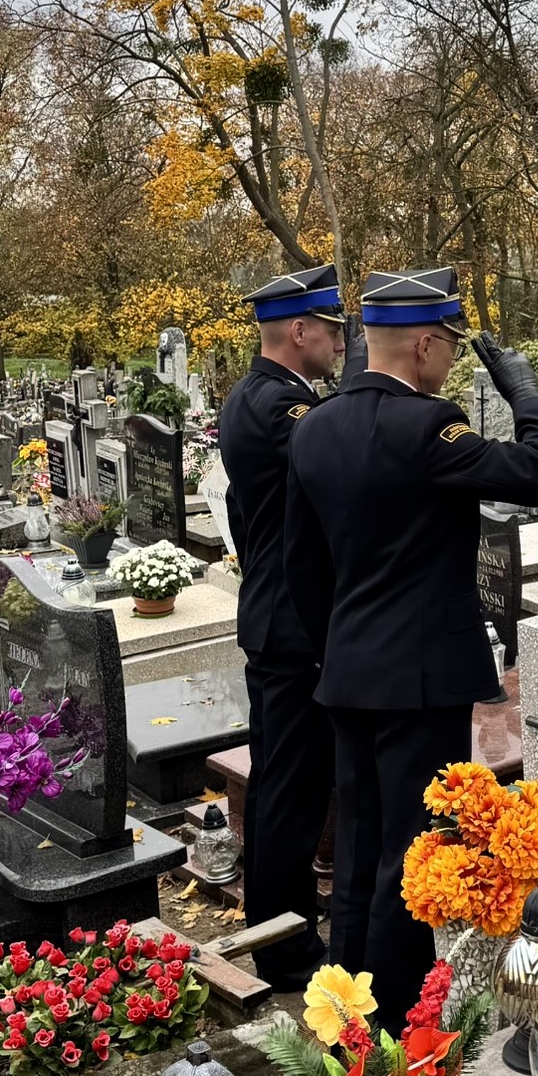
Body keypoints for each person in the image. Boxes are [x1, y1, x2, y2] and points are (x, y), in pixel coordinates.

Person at [283, 266, 538, 1030]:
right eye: (448, 343)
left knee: (356, 855)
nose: (451, 358)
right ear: (423, 344)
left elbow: (300, 568)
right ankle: (396, 1028)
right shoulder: (429, 429)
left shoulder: (314, 426)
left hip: (347, 672)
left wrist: (339, 650)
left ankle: (343, 1015)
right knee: (411, 858)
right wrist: (524, 394)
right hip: (418, 680)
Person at [217, 264, 345, 989]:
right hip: (296, 625)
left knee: (276, 785)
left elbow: (244, 516)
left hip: (270, 613)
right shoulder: (285, 408)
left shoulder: (248, 396)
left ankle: (277, 925)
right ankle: (288, 949)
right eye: (329, 330)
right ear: (299, 331)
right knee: (293, 793)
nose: (337, 343)